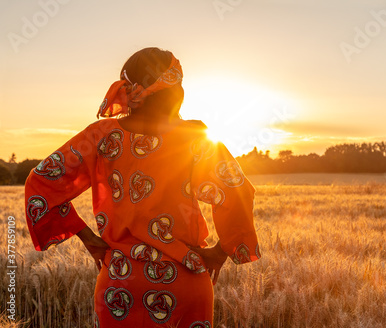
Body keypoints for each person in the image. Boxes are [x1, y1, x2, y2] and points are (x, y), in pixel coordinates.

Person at [25, 47, 261, 328]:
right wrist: (222, 250)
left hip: (120, 285)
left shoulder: (101, 135)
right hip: (185, 283)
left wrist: (87, 237)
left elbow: (41, 181)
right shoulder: (196, 138)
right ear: (175, 91)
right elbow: (238, 191)